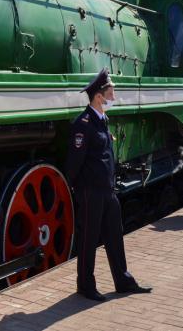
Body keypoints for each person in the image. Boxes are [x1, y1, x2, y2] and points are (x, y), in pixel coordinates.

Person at [66, 68, 152, 301]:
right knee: (89, 239)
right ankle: (85, 285)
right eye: (111, 92)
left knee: (115, 234)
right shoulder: (83, 124)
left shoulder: (102, 120)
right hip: (91, 192)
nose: (114, 96)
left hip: (107, 190)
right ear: (98, 96)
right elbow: (74, 163)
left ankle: (123, 281)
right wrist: (78, 189)